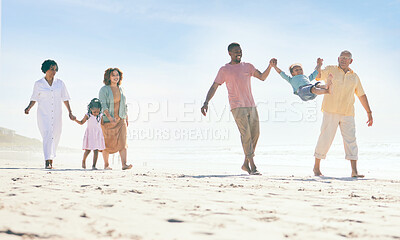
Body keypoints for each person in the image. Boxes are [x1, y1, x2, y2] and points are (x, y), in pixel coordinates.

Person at [201, 42, 274, 175]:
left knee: (255, 135)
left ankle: (245, 164)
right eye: (235, 51)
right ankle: (253, 167)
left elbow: (262, 77)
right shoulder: (224, 70)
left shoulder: (248, 66)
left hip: (251, 105)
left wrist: (270, 66)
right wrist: (206, 102)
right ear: (229, 53)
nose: (238, 53)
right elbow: (214, 86)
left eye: (240, 51)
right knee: (245, 135)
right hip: (237, 107)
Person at [313, 50, 373, 178]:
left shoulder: (354, 77)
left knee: (351, 140)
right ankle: (316, 168)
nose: (344, 60)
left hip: (347, 113)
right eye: (342, 58)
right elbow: (318, 76)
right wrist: (318, 65)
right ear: (338, 59)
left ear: (351, 61)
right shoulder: (331, 69)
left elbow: (361, 95)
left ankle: (354, 171)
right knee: (325, 138)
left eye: (346, 58)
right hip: (331, 111)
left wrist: (369, 112)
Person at [25, 59, 76, 169]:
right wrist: (28, 108)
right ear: (45, 70)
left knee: (56, 135)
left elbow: (65, 98)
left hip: (57, 114)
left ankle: (51, 159)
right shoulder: (38, 84)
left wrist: (70, 112)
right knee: (48, 135)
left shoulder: (60, 83)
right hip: (44, 114)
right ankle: (48, 162)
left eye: (55, 69)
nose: (54, 71)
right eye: (51, 69)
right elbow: (34, 98)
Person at [99, 68, 132, 170]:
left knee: (123, 141)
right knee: (107, 143)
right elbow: (103, 104)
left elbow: (124, 104)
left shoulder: (121, 89)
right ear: (108, 77)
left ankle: (124, 164)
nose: (115, 77)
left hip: (120, 119)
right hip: (108, 120)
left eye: (117, 75)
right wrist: (109, 117)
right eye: (113, 75)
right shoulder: (104, 89)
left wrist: (126, 116)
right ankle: (106, 164)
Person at [74, 98, 105, 170]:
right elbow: (81, 122)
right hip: (90, 134)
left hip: (97, 134)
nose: (96, 113)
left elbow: (103, 124)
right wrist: (75, 119)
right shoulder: (88, 115)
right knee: (88, 150)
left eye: (97, 111)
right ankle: (84, 160)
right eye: (94, 112)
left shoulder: (100, 116)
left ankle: (94, 165)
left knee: (96, 150)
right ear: (90, 109)